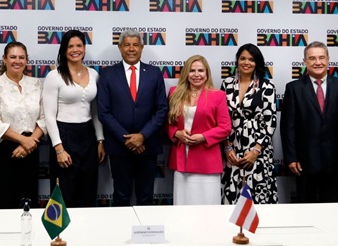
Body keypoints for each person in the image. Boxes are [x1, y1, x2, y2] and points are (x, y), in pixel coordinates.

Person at [97, 29, 168, 206]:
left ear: (142, 48)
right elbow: (104, 112)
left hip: (147, 146)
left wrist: (142, 136)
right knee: (121, 196)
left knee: (146, 197)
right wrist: (127, 140)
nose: (131, 49)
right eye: (127, 45)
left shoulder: (154, 73)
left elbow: (161, 109)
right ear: (120, 47)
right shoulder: (107, 74)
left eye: (135, 45)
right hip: (119, 146)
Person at [280, 41, 338, 203]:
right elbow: (288, 127)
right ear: (304, 62)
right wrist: (291, 158)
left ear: (328, 59)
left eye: (321, 57)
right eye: (312, 58)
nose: (317, 62)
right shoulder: (294, 88)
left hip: (334, 161)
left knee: (331, 208)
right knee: (305, 209)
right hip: (304, 163)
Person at [42, 29, 105, 207]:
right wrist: (59, 149)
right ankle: (62, 227)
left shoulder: (94, 75)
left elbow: (95, 111)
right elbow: (49, 115)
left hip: (88, 137)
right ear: (64, 50)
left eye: (79, 45)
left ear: (84, 48)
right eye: (70, 46)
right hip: (64, 136)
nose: (75, 50)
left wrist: (100, 140)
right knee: (64, 193)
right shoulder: (54, 76)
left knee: (88, 190)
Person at [0, 42, 46, 209]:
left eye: (21, 57)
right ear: (4, 59)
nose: (17, 61)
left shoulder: (36, 84)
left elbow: (45, 117)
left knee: (28, 205)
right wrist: (23, 141)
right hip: (3, 152)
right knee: (3, 204)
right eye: (13, 57)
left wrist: (29, 142)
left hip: (31, 150)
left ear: (26, 60)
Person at [167, 55, 231, 205]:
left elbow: (225, 127)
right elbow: (167, 123)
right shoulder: (174, 92)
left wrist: (203, 136)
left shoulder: (218, 95)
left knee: (207, 209)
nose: (196, 75)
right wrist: (176, 133)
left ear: (207, 73)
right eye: (192, 70)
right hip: (181, 161)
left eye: (201, 71)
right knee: (182, 207)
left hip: (207, 161)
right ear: (186, 73)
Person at [221, 43, 278, 204]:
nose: (246, 62)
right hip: (232, 150)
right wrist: (227, 147)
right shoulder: (227, 84)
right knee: (232, 198)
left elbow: (270, 122)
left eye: (251, 59)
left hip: (258, 151)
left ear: (257, 63)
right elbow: (221, 118)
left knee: (257, 199)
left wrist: (256, 151)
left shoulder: (267, 86)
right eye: (243, 58)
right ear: (237, 61)